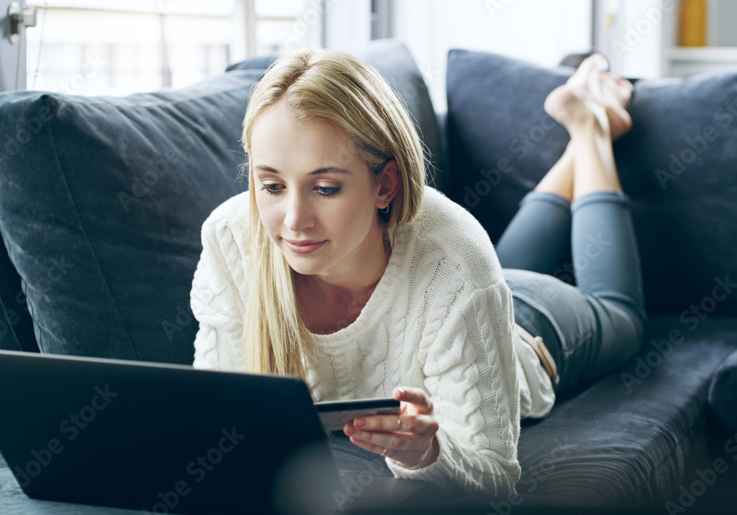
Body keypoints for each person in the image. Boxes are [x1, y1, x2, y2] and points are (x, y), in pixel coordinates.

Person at [189, 48, 645, 497]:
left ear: (385, 184)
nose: (293, 220)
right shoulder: (232, 240)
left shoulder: (458, 265)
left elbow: (494, 478)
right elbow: (216, 424)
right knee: (496, 268)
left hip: (524, 333)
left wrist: (426, 455)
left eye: (325, 188)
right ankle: (584, 129)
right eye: (271, 186)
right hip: (468, 289)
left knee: (622, 315)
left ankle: (590, 129)